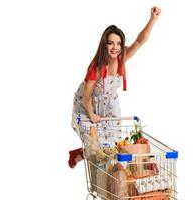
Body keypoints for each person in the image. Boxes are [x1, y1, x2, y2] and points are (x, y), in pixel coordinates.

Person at [69, 6, 161, 168]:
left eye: (119, 43)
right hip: (87, 105)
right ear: (104, 44)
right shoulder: (96, 68)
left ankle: (82, 156)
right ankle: (81, 155)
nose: (115, 47)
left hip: (109, 104)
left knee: (112, 145)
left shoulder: (121, 58)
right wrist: (91, 114)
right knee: (96, 144)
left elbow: (140, 41)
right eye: (110, 43)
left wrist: (153, 19)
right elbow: (86, 97)